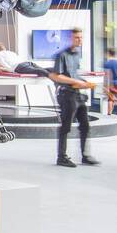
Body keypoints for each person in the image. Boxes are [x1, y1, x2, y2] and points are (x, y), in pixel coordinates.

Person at [49, 27, 100, 168]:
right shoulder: (62, 55)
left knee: (85, 125)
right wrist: (76, 82)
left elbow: (74, 74)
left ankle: (85, 155)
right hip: (67, 95)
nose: (80, 40)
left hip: (78, 95)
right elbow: (57, 76)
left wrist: (83, 82)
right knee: (66, 126)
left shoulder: (77, 54)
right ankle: (62, 157)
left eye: (81, 37)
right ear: (71, 38)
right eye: (77, 37)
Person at [104, 47, 117, 119]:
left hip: (111, 84)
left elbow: (107, 75)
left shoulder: (107, 63)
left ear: (108, 53)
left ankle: (109, 114)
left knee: (110, 99)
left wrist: (106, 86)